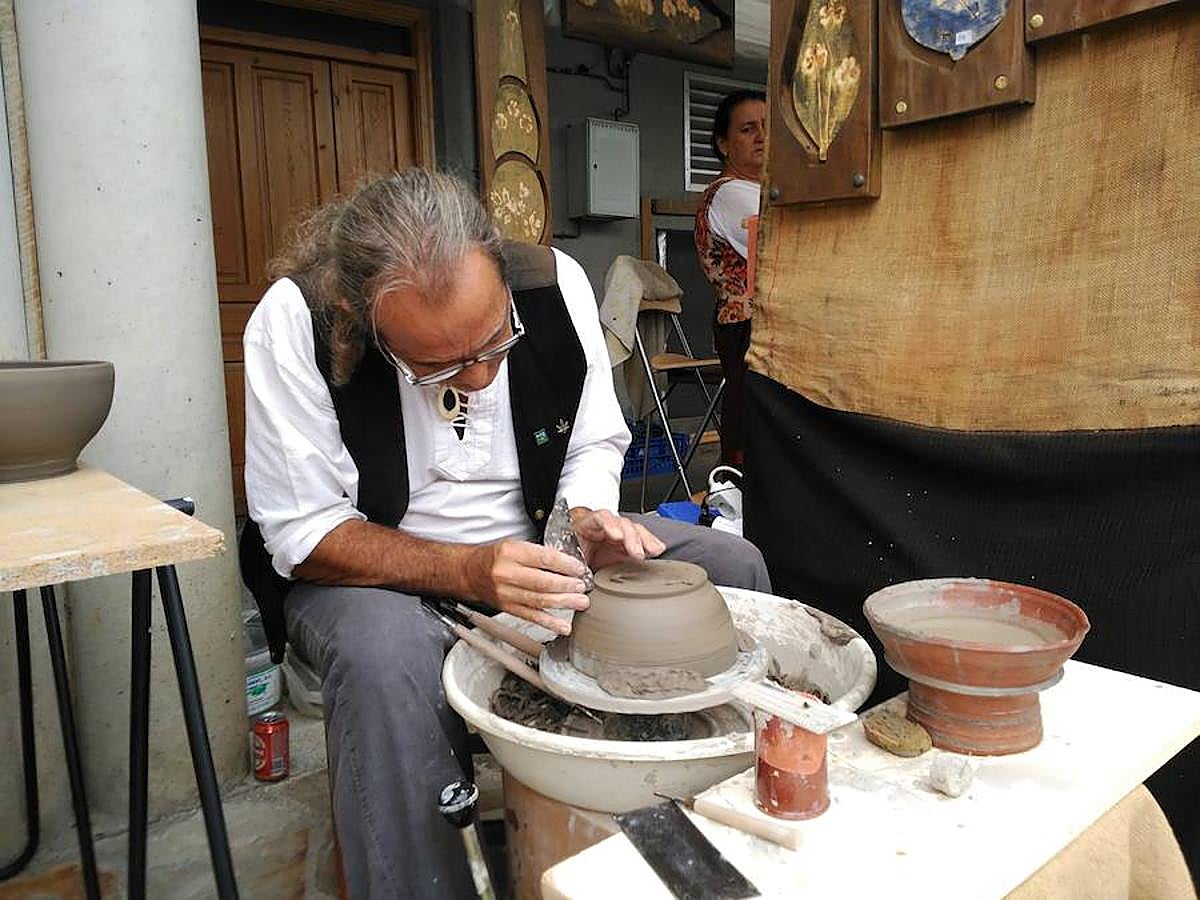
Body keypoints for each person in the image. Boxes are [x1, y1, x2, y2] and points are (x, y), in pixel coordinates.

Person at [237, 169, 771, 898]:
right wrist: (467, 572)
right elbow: (303, 534)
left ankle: (707, 838)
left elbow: (590, 443)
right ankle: (422, 881)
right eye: (438, 366)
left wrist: (582, 520)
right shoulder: (296, 319)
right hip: (373, 573)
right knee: (382, 655)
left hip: (535, 540)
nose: (482, 378)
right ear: (359, 315)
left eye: (495, 343)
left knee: (728, 563)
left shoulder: (554, 287)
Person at [694, 89, 766, 468]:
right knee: (753, 428)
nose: (762, 137)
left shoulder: (760, 190)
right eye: (748, 129)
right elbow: (778, 245)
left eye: (768, 127)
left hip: (758, 326)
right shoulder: (731, 194)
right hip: (746, 327)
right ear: (724, 144)